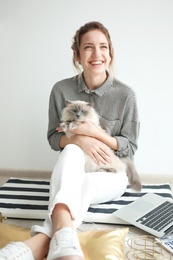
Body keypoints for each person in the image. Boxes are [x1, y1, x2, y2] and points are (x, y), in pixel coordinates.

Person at [0, 21, 140, 260]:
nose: (97, 54)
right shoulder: (60, 90)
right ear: (77, 54)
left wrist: (93, 134)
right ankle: (64, 240)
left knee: (83, 186)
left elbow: (130, 146)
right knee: (72, 153)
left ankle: (39, 243)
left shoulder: (126, 95)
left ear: (110, 53)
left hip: (111, 173)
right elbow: (54, 139)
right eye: (88, 47)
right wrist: (78, 141)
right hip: (74, 164)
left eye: (103, 47)